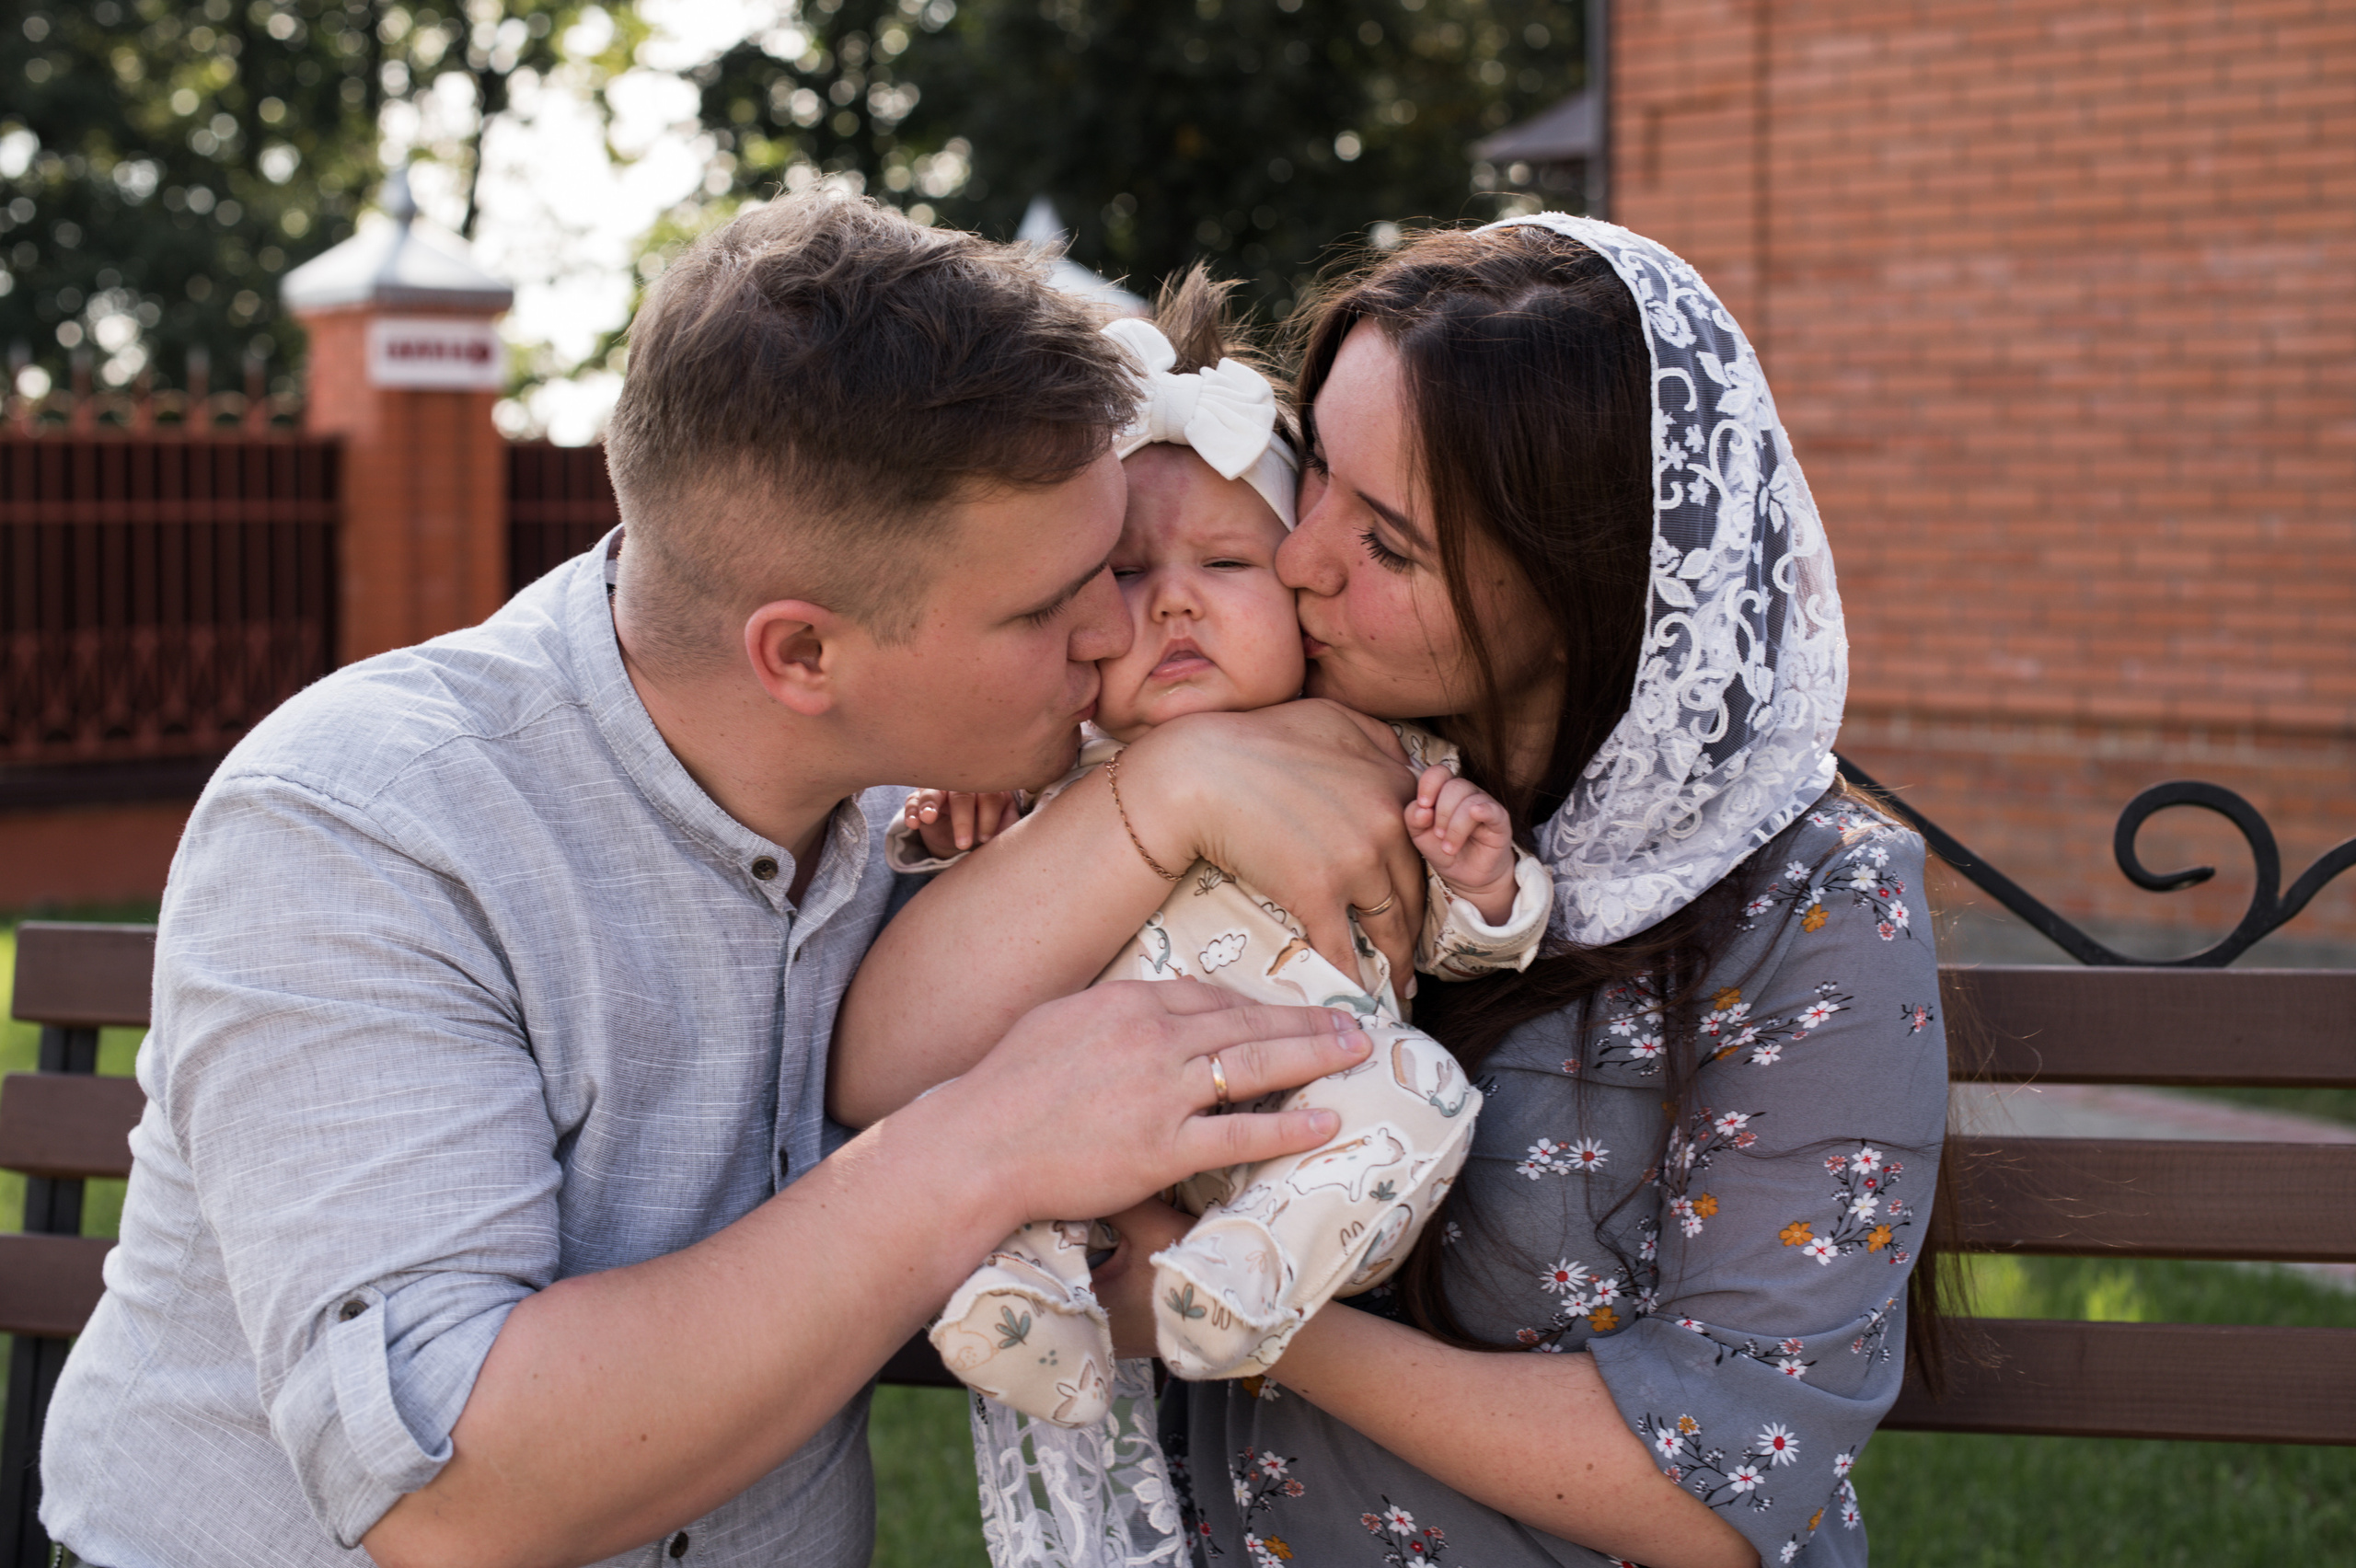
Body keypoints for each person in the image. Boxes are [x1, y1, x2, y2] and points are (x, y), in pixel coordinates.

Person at [36, 196, 1418, 1568]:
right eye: (1051, 601)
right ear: (802, 657)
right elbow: (449, 1488)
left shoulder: (954, 792)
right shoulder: (364, 828)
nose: (1119, 627)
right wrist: (988, 1140)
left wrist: (1186, 774)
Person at [833, 214, 1948, 1568]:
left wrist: (1237, 1315)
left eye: (1390, 545)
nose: (1299, 561)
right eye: (1318, 489)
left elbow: (1713, 1482)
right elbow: (884, 1069)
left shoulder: (1810, 903)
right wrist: (1168, 790)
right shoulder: (1232, 757)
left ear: (1583, 591)